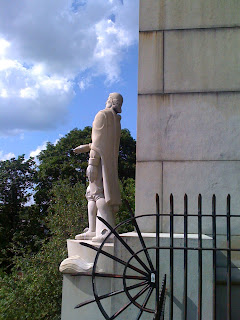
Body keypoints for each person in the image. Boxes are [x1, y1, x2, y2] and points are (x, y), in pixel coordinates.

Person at [73, 93, 123, 242]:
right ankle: (93, 229)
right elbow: (103, 142)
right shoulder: (116, 121)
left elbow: (98, 143)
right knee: (91, 194)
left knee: (96, 193)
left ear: (110, 101)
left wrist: (92, 163)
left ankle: (108, 230)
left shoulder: (102, 115)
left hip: (99, 161)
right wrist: (86, 147)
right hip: (109, 162)